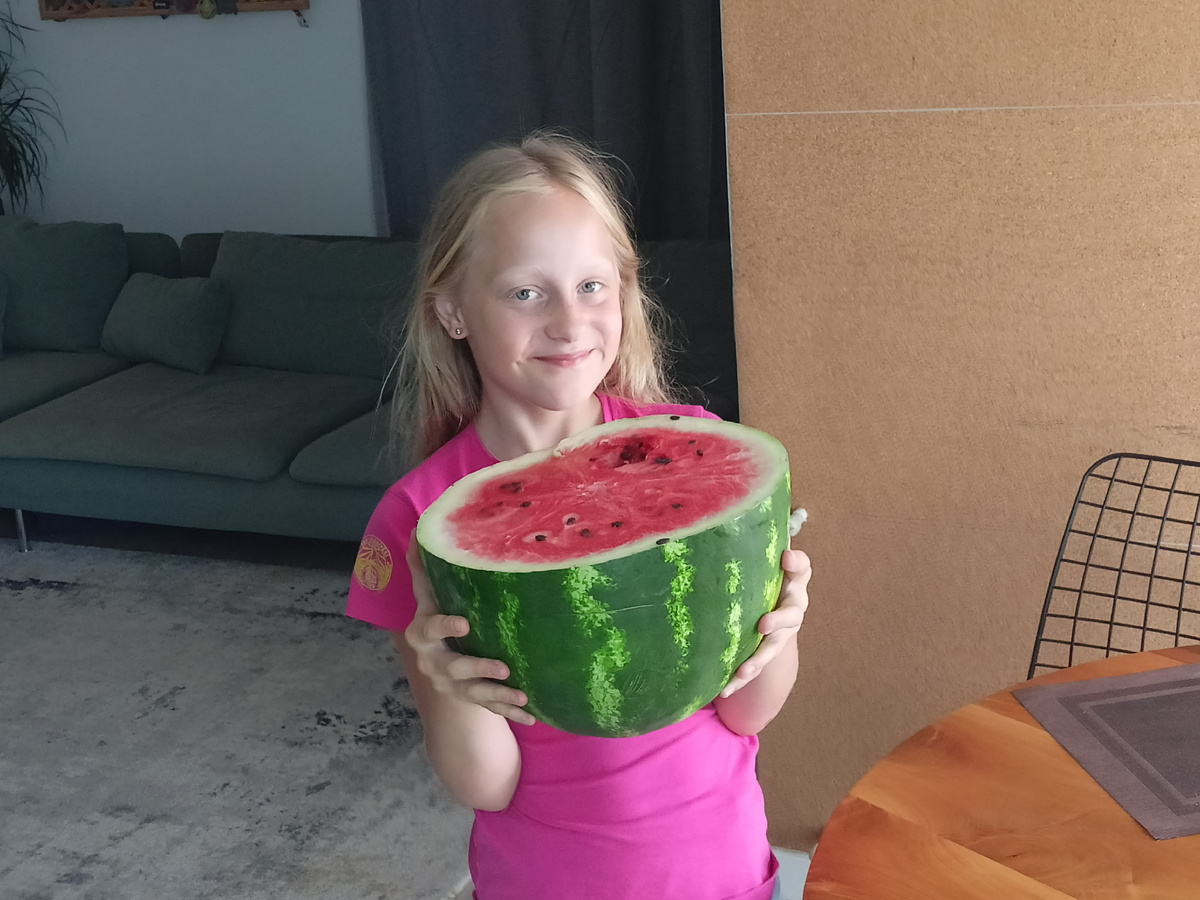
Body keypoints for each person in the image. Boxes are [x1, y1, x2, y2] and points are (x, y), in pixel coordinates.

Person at [346, 131, 811, 900]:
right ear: (452, 310)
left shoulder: (694, 446)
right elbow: (485, 784)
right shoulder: (418, 518)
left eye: (592, 286)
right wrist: (446, 680)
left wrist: (782, 628)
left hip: (722, 875)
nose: (568, 322)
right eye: (526, 293)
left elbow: (746, 713)